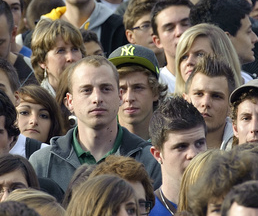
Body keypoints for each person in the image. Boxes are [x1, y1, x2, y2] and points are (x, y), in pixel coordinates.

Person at [31, 57, 163, 187]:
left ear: (120, 96)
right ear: (69, 102)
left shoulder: (151, 160)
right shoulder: (42, 162)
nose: (97, 98)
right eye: (86, 90)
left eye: (106, 89)